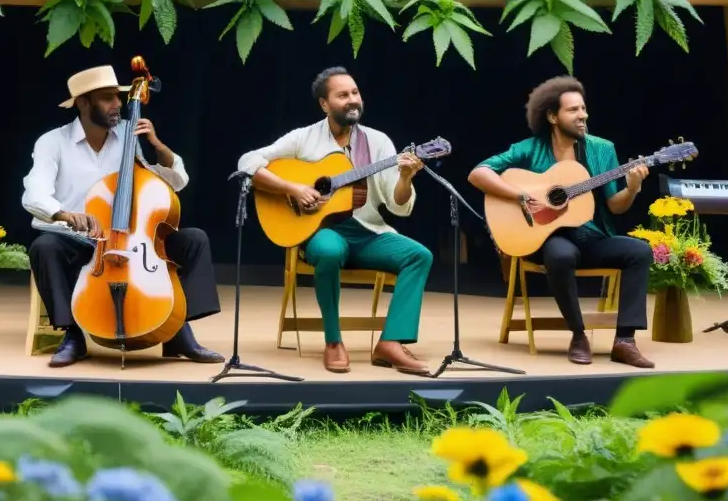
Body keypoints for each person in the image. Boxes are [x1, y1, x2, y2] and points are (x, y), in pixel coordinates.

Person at [21, 65, 224, 368]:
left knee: (194, 239)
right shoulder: (53, 142)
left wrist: (158, 147)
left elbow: (176, 181)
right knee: (44, 246)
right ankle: (73, 335)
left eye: (119, 97)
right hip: (78, 238)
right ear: (83, 103)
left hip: (132, 239)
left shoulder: (130, 135)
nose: (117, 104)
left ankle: (177, 331)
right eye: (107, 98)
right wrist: (65, 214)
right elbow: (33, 193)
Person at [237, 66, 433, 376]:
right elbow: (248, 162)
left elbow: (398, 206)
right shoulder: (304, 138)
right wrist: (293, 188)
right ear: (324, 104)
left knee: (419, 255)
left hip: (368, 233)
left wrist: (406, 177)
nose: (353, 100)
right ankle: (333, 341)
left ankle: (391, 342)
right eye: (343, 95)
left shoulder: (377, 142)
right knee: (328, 250)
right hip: (321, 231)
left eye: (355, 93)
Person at [468, 75, 655, 368]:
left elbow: (615, 207)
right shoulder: (530, 148)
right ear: (553, 116)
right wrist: (520, 196)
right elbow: (479, 173)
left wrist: (631, 188)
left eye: (583, 108)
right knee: (560, 253)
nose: (583, 115)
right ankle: (579, 334)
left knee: (639, 251)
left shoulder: (601, 149)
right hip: (545, 239)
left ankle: (625, 341)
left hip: (591, 238)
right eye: (573, 110)